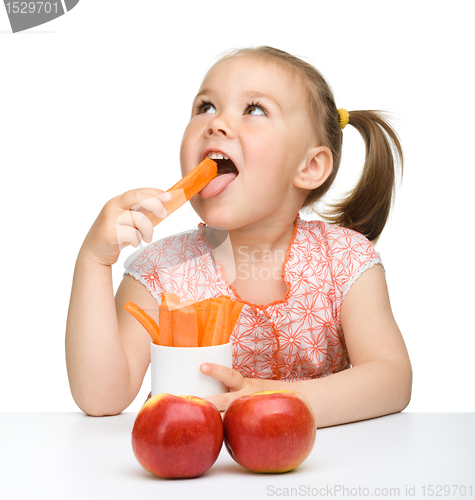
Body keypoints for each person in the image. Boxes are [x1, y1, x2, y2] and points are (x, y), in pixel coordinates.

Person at [65, 46, 412, 426]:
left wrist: (275, 400)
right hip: (193, 475)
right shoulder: (159, 272)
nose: (216, 124)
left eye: (254, 110)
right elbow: (100, 398)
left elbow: (392, 379)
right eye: (206, 107)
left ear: (310, 167)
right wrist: (94, 261)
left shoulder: (345, 261)